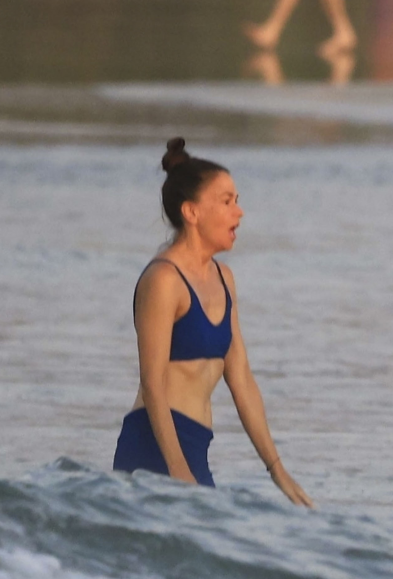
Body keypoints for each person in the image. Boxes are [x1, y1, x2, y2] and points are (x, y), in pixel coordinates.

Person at [113, 138, 313, 507]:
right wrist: (178, 471)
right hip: (154, 450)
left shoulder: (224, 278)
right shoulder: (164, 280)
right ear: (191, 212)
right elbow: (152, 383)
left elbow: (241, 379)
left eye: (237, 200)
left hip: (196, 450)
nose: (239, 213)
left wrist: (277, 470)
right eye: (226, 202)